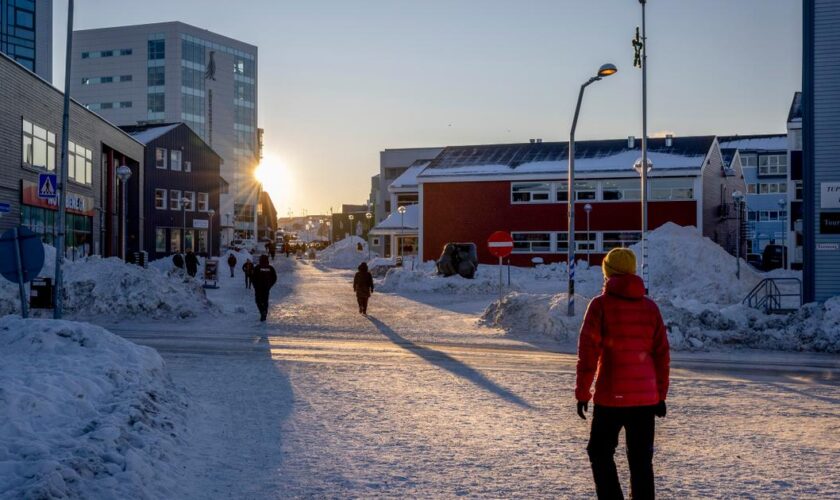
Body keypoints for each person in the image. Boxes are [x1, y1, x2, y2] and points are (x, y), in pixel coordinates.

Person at [575, 247, 670, 500]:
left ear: (608, 272)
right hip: (646, 399)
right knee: (641, 461)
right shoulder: (650, 308)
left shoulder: (600, 306)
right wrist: (660, 395)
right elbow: (662, 355)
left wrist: (582, 393)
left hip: (611, 397)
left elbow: (588, 355)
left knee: (599, 452)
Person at [251, 254, 277, 322]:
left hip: (258, 288)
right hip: (266, 288)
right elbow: (274, 278)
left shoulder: (257, 267)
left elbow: (253, 277)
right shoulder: (270, 268)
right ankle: (264, 314)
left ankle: (262, 311)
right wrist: (269, 285)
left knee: (258, 301)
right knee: (265, 301)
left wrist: (255, 286)